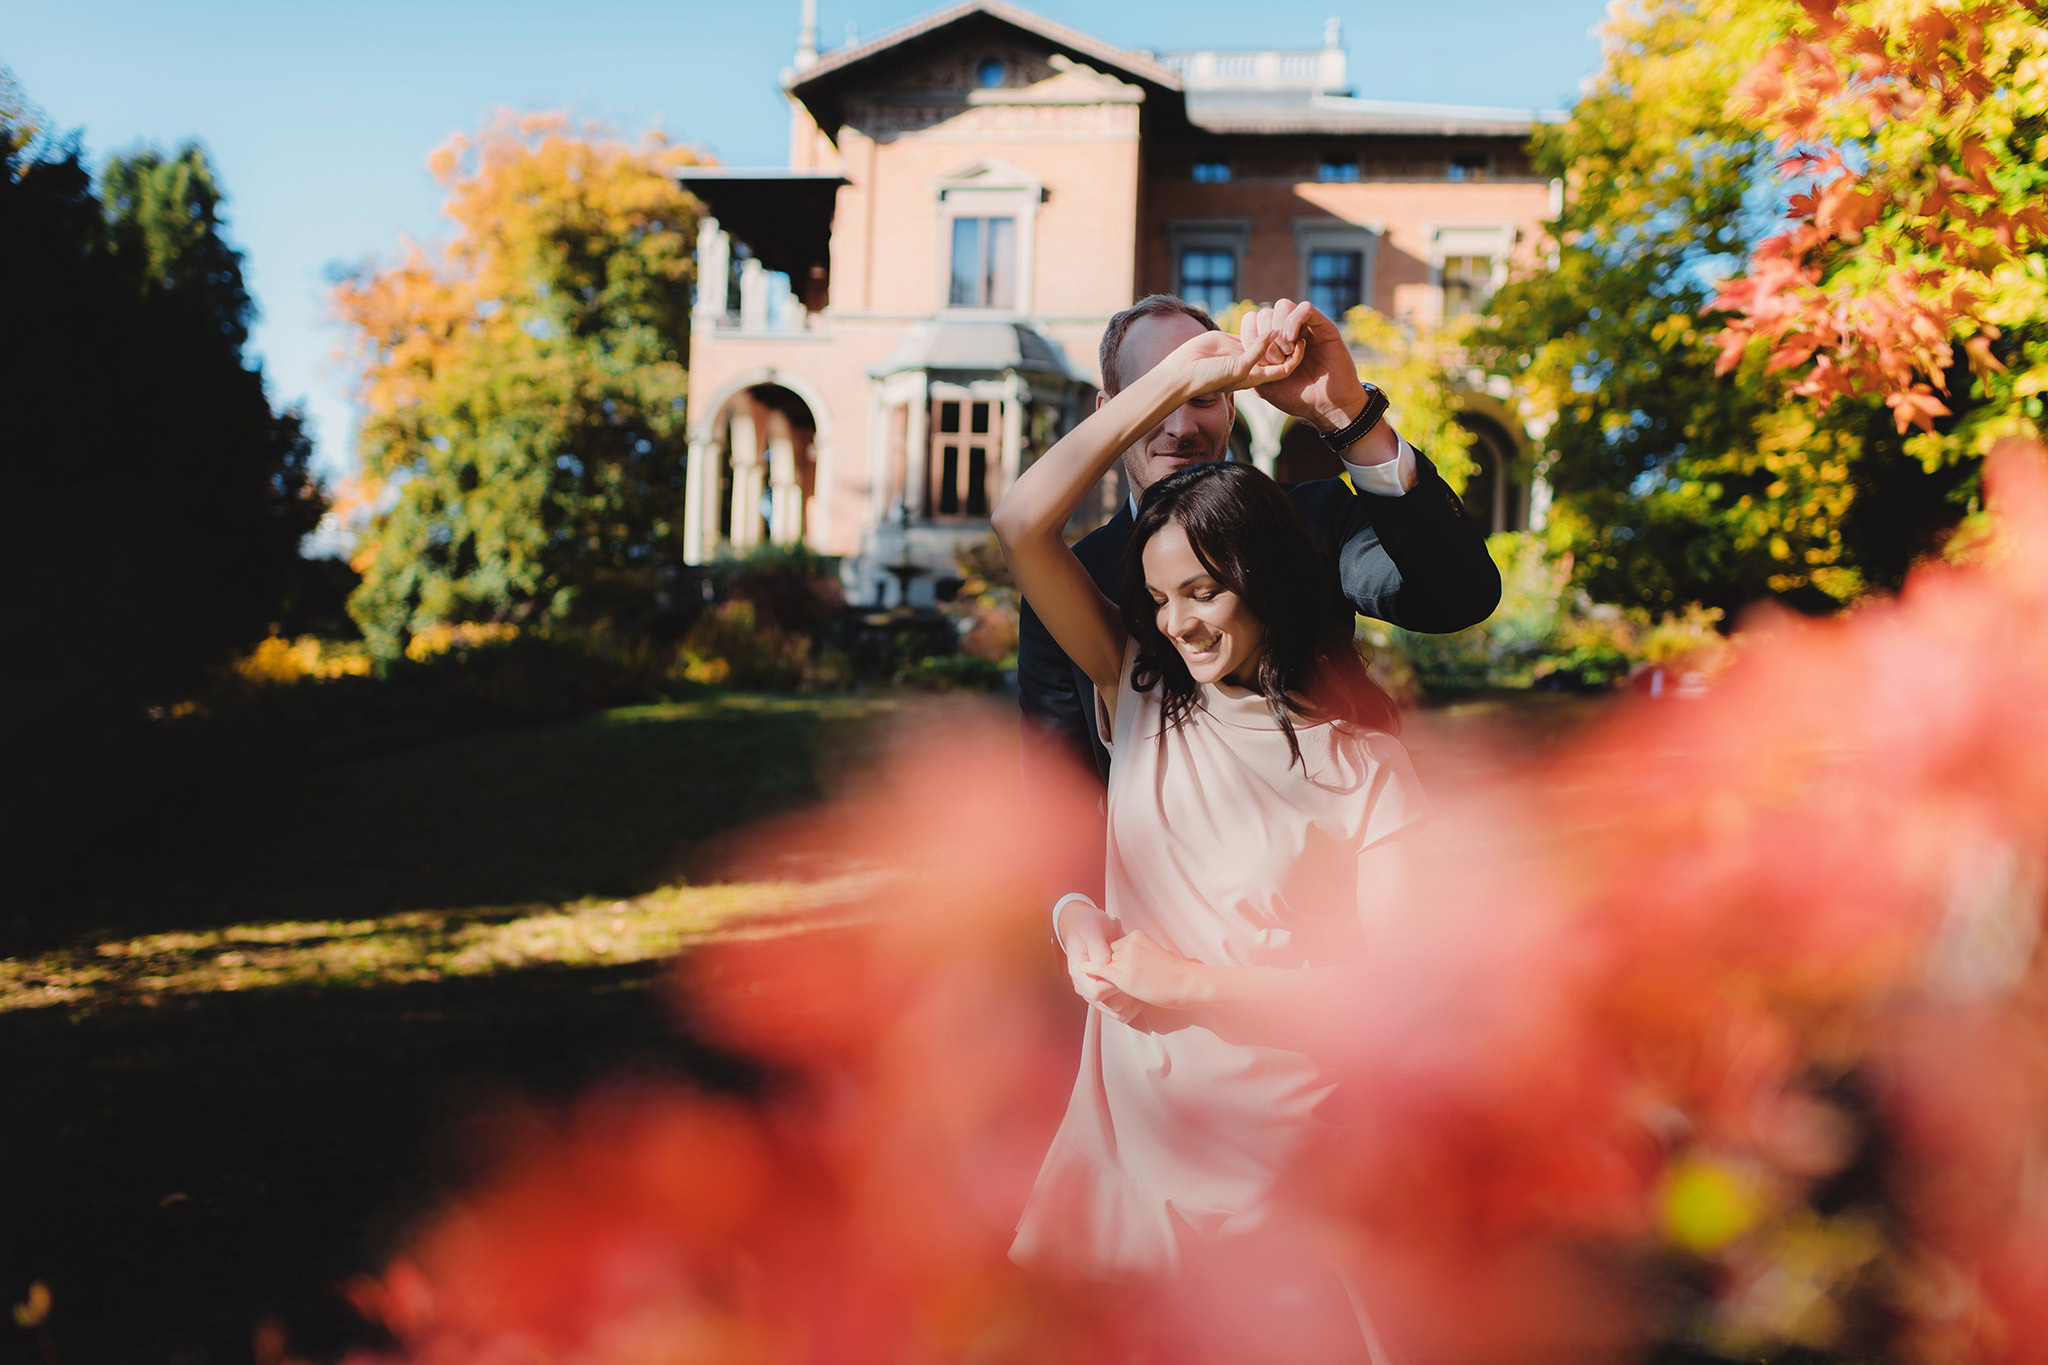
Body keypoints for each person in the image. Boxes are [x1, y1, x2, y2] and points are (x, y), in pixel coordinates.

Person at [993, 305, 1425, 1359]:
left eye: (1202, 592)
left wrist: (1194, 988)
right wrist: (1181, 379)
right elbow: (1019, 523)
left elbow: (1399, 1005)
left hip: (1285, 1172)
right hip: (1128, 1157)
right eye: (1157, 597)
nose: (1178, 623)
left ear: (1265, 587)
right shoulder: (1140, 694)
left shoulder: (1364, 770)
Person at [1016, 294, 1495, 910]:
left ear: (1233, 403)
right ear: (1112, 411)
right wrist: (1076, 918)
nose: (1181, 426)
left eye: (1203, 395)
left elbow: (1457, 596)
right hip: (1154, 935)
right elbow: (1062, 796)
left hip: (1330, 923)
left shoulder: (1312, 522)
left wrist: (1347, 412)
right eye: (1157, 395)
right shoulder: (1076, 584)